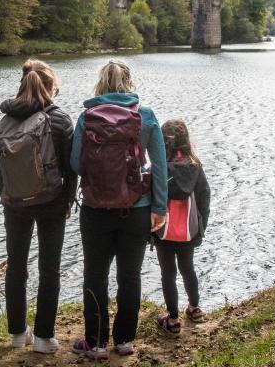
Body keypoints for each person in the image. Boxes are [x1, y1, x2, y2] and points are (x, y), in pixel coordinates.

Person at [70, 59, 167, 360]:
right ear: (128, 81)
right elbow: (160, 166)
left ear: (101, 83)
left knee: (95, 275)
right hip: (136, 209)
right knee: (130, 276)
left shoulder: (87, 117)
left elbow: (75, 165)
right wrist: (160, 207)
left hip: (96, 209)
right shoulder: (146, 116)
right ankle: (124, 341)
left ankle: (96, 343)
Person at [0, 59, 76, 354]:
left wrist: (8, 196)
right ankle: (43, 338)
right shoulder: (60, 119)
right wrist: (68, 200)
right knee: (49, 269)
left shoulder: (6, 119)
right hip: (51, 201)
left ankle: (17, 333)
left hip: (14, 202)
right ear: (51, 86)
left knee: (16, 267)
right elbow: (70, 168)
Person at [155, 119, 210, 335]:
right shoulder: (195, 166)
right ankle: (195, 308)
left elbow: (152, 197)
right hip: (189, 229)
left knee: (168, 272)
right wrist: (201, 224)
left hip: (164, 229)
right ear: (186, 140)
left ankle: (173, 320)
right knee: (188, 268)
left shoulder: (160, 168)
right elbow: (204, 197)